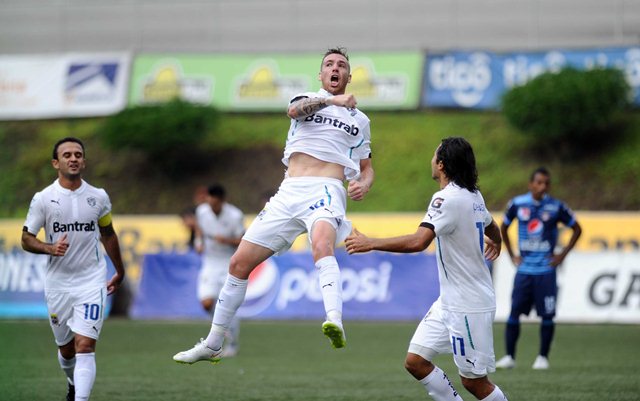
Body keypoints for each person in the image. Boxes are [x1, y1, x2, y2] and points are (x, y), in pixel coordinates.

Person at [173, 46, 374, 364]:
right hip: (288, 191)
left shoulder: (360, 121)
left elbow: (366, 166)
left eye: (342, 65)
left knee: (322, 245)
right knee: (239, 264)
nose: (335, 68)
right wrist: (332, 101)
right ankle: (213, 342)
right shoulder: (306, 100)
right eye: (329, 64)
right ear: (320, 75)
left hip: (327, 189)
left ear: (349, 76)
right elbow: (294, 112)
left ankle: (334, 319)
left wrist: (364, 182)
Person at [345, 137, 508, 401]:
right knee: (416, 361)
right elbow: (491, 225)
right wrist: (497, 241)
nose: (431, 161)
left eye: (434, 157)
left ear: (441, 165)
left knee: (474, 382)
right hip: (450, 301)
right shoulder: (472, 195)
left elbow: (419, 241)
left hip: (468, 304)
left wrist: (371, 243)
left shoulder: (446, 198)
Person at [21, 137, 126, 401]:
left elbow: (108, 233)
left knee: (85, 345)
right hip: (58, 284)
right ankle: (71, 384)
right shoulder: (43, 199)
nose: (73, 158)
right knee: (67, 349)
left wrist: (119, 270)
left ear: (84, 161)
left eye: (78, 154)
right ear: (56, 163)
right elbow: (26, 238)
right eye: (67, 155)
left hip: (91, 281)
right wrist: (49, 248)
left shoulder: (98, 197)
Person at [495, 167, 582, 370]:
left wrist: (562, 254)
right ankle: (509, 357)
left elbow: (577, 229)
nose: (543, 186)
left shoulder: (556, 207)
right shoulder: (517, 204)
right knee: (514, 313)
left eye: (546, 183)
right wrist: (511, 253)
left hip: (546, 271)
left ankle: (542, 357)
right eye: (539, 182)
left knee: (548, 315)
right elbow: (503, 227)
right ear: (531, 184)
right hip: (524, 271)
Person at [194, 184, 245, 356]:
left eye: (215, 204)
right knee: (207, 303)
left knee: (228, 303)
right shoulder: (202, 211)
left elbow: (242, 240)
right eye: (209, 203)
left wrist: (227, 241)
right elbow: (199, 229)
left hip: (228, 262)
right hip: (209, 261)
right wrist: (199, 243)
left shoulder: (235, 215)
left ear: (223, 201)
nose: (212, 207)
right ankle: (222, 332)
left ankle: (232, 342)